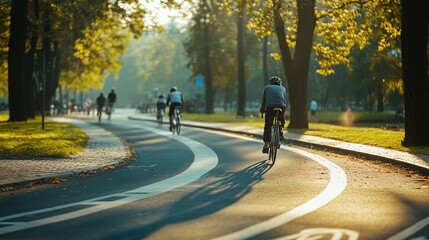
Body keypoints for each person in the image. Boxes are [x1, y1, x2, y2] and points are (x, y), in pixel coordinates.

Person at [259, 76, 287, 154]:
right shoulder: (283, 88)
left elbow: (264, 101)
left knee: (268, 125)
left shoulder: (267, 88)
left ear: (270, 83)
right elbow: (284, 100)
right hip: (281, 107)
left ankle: (266, 145)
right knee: (281, 119)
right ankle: (280, 132)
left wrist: (262, 110)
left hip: (270, 107)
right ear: (279, 83)